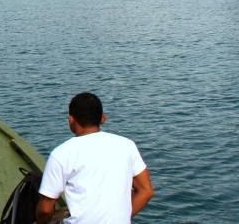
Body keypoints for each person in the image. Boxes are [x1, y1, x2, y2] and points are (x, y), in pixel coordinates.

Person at [36, 92, 154, 224]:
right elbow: (146, 191)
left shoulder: (61, 154)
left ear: (71, 119)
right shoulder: (127, 145)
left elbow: (45, 210)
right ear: (103, 118)